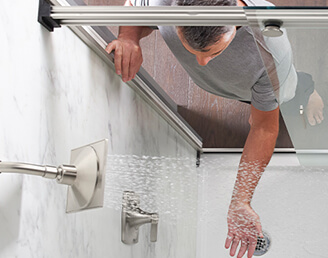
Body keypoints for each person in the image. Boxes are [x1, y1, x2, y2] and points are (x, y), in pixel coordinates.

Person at [105, 0, 324, 257]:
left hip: (268, 78)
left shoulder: (270, 53)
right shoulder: (166, 3)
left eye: (213, 53)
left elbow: (264, 129)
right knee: (251, 96)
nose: (201, 62)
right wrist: (128, 38)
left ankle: (308, 91)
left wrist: (241, 200)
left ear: (235, 27)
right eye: (193, 50)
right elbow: (134, 6)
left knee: (286, 93)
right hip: (237, 84)